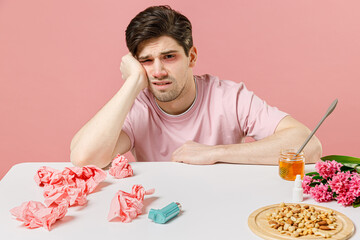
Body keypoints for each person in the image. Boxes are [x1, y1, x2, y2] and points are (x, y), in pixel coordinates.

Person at [70, 5, 322, 168]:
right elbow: (84, 159)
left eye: (169, 57)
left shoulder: (229, 97)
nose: (157, 71)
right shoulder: (137, 106)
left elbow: (309, 145)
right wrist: (133, 82)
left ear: (191, 57)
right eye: (146, 61)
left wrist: (215, 153)